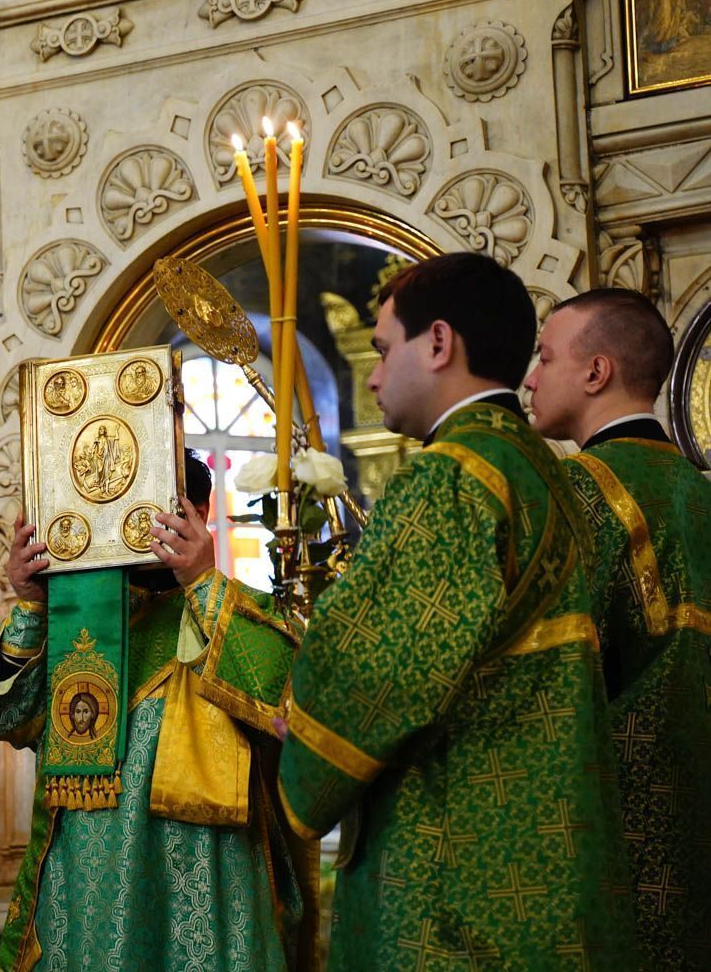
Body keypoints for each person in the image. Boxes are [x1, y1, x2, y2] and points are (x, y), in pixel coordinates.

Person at [277, 253, 638, 966]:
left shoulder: (451, 477)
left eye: (384, 350)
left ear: (438, 342)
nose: (373, 376)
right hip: (548, 859)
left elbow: (375, 670)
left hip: (452, 877)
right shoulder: (549, 471)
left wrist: (302, 735)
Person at [0, 452, 313, 972]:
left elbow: (285, 701)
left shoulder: (239, 608)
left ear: (199, 513)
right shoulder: (78, 624)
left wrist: (202, 581)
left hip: (203, 885)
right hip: (88, 895)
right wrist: (31, 605)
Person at [524, 288, 711, 967]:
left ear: (596, 372)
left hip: (614, 831)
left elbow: (540, 679)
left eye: (545, 357)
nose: (531, 379)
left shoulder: (573, 491)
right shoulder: (699, 493)